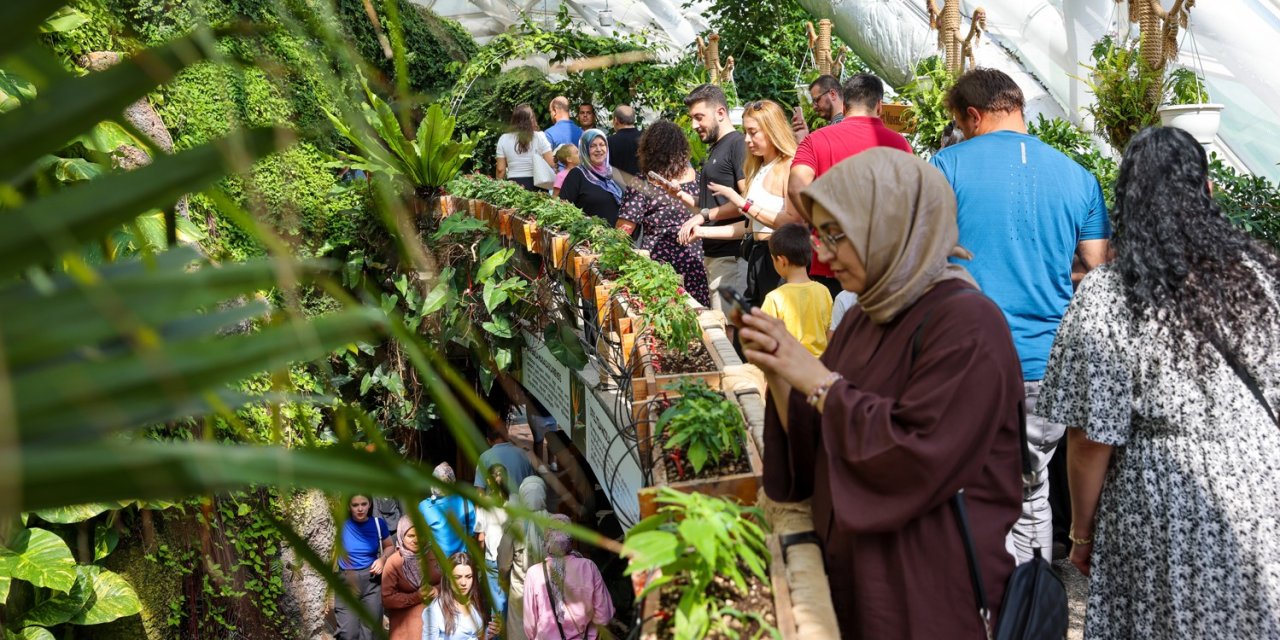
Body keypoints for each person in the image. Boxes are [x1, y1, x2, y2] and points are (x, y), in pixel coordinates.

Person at [743, 149, 1024, 638]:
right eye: (818, 235)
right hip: (860, 570)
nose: (824, 255)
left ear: (892, 226)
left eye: (836, 235)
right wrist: (780, 367)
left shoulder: (968, 324)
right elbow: (819, 434)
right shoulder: (866, 315)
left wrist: (813, 377)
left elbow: (917, 451)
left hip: (926, 586)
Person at [1036, 126, 1280, 639]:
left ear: (1127, 202)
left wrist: (1081, 534)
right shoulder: (1261, 278)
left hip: (1162, 494)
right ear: (1207, 192)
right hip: (1263, 486)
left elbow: (1090, 436)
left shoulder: (1109, 292)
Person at [930, 68, 1110, 563]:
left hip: (967, 359)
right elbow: (1097, 268)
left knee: (964, 487)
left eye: (963, 126)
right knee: (1031, 495)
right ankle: (1030, 607)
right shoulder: (1080, 177)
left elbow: (926, 256)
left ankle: (977, 603)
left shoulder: (946, 165)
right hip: (1047, 363)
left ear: (972, 115)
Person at [787, 73, 914, 299]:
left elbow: (796, 187)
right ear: (879, 106)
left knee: (833, 331)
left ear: (843, 105)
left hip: (832, 259)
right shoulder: (900, 143)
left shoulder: (816, 139)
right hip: (880, 262)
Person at [685, 99, 803, 307]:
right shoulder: (759, 167)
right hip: (756, 256)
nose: (747, 139)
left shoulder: (788, 165)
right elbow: (749, 227)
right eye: (745, 132)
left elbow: (793, 222)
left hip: (780, 259)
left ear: (772, 130)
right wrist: (702, 232)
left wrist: (743, 204)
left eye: (753, 132)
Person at [660, 84, 747, 317]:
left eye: (699, 117)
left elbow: (747, 203)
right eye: (692, 118)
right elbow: (711, 204)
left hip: (732, 255)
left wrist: (703, 216)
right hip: (716, 255)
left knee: (731, 332)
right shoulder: (717, 147)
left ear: (720, 112)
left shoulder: (738, 144)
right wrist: (680, 195)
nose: (694, 125)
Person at [616, 120, 711, 307]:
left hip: (660, 267)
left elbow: (624, 229)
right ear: (682, 149)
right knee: (698, 321)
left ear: (648, 150)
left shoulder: (644, 183)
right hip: (695, 260)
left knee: (665, 323)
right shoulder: (698, 179)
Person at [522, 514, 615, 640]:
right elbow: (604, 616)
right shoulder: (588, 567)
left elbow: (530, 626)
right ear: (571, 540)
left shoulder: (533, 573)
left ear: (546, 540)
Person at [760, 223, 832, 356]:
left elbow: (765, 339)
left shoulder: (775, 298)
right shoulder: (823, 291)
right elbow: (829, 332)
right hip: (820, 366)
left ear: (782, 261)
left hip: (789, 367)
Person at [335, 494, 393, 640]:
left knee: (370, 631)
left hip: (372, 580)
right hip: (347, 580)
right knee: (347, 633)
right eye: (355, 505)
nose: (360, 508)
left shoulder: (378, 524)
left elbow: (390, 546)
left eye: (364, 504)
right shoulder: (341, 524)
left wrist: (382, 560)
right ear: (349, 507)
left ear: (370, 505)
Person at [499, 476, 551, 640]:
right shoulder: (556, 523)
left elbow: (503, 564)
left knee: (519, 633)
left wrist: (504, 581)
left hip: (520, 593)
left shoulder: (514, 526)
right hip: (550, 591)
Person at [383, 520, 442, 640]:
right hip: (406, 627)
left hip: (435, 623)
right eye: (411, 536)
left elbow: (449, 581)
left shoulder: (434, 555)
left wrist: (437, 590)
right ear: (401, 535)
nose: (417, 540)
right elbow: (387, 599)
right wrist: (416, 596)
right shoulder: (394, 561)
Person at [558, 129, 625, 226]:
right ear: (584, 149)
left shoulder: (614, 172)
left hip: (616, 238)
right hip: (589, 237)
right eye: (592, 146)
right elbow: (563, 207)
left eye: (602, 145)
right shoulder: (577, 174)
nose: (598, 149)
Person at [423, 552, 494, 640]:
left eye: (468, 577)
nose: (463, 583)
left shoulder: (476, 602)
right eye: (457, 577)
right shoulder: (434, 610)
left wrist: (490, 632)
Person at [418, 462, 477, 558]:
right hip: (460, 563)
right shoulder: (466, 503)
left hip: (435, 563)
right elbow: (472, 534)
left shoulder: (424, 506)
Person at [474, 464, 510, 619]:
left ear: (488, 481)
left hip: (492, 558)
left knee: (496, 605)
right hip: (511, 558)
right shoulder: (515, 502)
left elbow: (481, 537)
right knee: (511, 602)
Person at [495, 104, 554, 192]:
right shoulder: (539, 136)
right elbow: (550, 162)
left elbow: (500, 170)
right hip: (538, 184)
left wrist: (498, 188)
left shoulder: (504, 138)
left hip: (514, 186)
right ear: (531, 119)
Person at [474, 425, 535, 497]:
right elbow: (533, 484)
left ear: (488, 440)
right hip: (520, 505)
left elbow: (480, 491)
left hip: (495, 505)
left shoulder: (484, 458)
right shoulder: (524, 454)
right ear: (507, 436)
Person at [791, 74, 845, 141]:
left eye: (817, 100)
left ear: (832, 94)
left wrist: (802, 140)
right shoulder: (854, 121)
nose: (814, 107)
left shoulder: (835, 130)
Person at [606, 105, 641, 178]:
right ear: (634, 120)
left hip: (617, 187)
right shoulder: (646, 138)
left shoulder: (609, 141)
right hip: (643, 186)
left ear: (615, 120)